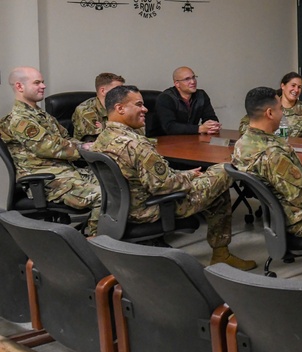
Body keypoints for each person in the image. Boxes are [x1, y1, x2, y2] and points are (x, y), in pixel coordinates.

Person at [93, 85, 255, 270]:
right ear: (120, 108)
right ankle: (221, 254)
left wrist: (186, 174)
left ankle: (221, 254)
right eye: (139, 104)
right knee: (225, 170)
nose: (145, 109)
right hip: (153, 207)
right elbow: (163, 185)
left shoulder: (103, 137)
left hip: (123, 206)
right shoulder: (135, 144)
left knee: (217, 190)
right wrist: (189, 177)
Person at [232, 87, 302, 236]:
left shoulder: (242, 144)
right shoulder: (273, 154)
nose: (283, 113)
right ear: (270, 113)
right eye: (280, 108)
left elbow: (286, 184)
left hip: (280, 214)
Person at [0, 66, 101, 231]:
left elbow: (65, 138)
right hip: (48, 181)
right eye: (37, 82)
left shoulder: (41, 115)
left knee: (119, 186)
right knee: (102, 196)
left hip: (68, 172)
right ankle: (90, 244)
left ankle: (93, 236)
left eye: (43, 82)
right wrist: (84, 147)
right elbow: (48, 147)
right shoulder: (20, 120)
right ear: (19, 87)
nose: (43, 86)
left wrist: (87, 145)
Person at [237, 72, 302, 139]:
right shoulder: (271, 105)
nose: (296, 90)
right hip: (267, 148)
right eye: (293, 85)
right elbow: (244, 126)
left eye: (299, 87)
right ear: (283, 86)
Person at [156, 66, 221, 135]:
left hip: (192, 139)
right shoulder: (166, 98)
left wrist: (212, 126)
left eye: (193, 77)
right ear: (177, 83)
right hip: (167, 141)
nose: (193, 82)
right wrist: (200, 129)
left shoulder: (201, 95)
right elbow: (170, 127)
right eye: (187, 79)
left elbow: (211, 118)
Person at [72, 72, 127, 142]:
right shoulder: (86, 110)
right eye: (117, 90)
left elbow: (136, 134)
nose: (122, 94)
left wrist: (104, 127)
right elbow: (100, 141)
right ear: (103, 91)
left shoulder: (121, 106)